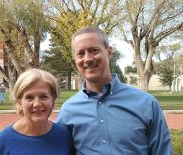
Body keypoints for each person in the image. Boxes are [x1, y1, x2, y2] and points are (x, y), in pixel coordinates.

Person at [56, 26, 173, 155]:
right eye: (80, 53)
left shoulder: (147, 104)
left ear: (109, 52)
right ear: (75, 59)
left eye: (94, 50)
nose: (87, 59)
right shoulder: (68, 111)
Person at [0, 68, 73, 155]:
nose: (37, 104)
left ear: (53, 99)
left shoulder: (65, 135)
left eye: (43, 97)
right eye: (29, 97)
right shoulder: (2, 141)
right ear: (19, 102)